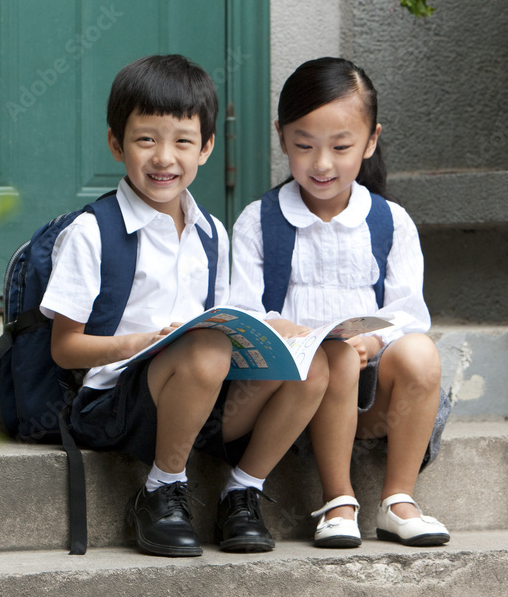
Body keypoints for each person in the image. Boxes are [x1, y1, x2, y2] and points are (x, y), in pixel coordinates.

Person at [41, 54, 356, 557]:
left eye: (183, 141)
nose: (164, 157)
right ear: (115, 143)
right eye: (146, 139)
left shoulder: (211, 232)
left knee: (311, 364)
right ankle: (161, 489)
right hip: (113, 405)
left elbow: (226, 322)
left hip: (200, 398)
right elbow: (65, 349)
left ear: (207, 147)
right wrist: (143, 342)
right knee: (206, 346)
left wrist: (281, 332)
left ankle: (242, 491)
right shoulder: (92, 233)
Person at [229, 57, 451, 548]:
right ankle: (338, 500)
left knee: (420, 351)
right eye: (304, 146)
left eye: (341, 146)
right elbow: (241, 310)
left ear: (371, 140)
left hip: (373, 403)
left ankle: (398, 500)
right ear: (282, 137)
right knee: (336, 356)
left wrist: (374, 339)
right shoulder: (259, 221)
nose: (322, 164)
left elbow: (408, 312)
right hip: (295, 399)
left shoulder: (390, 221)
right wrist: (301, 338)